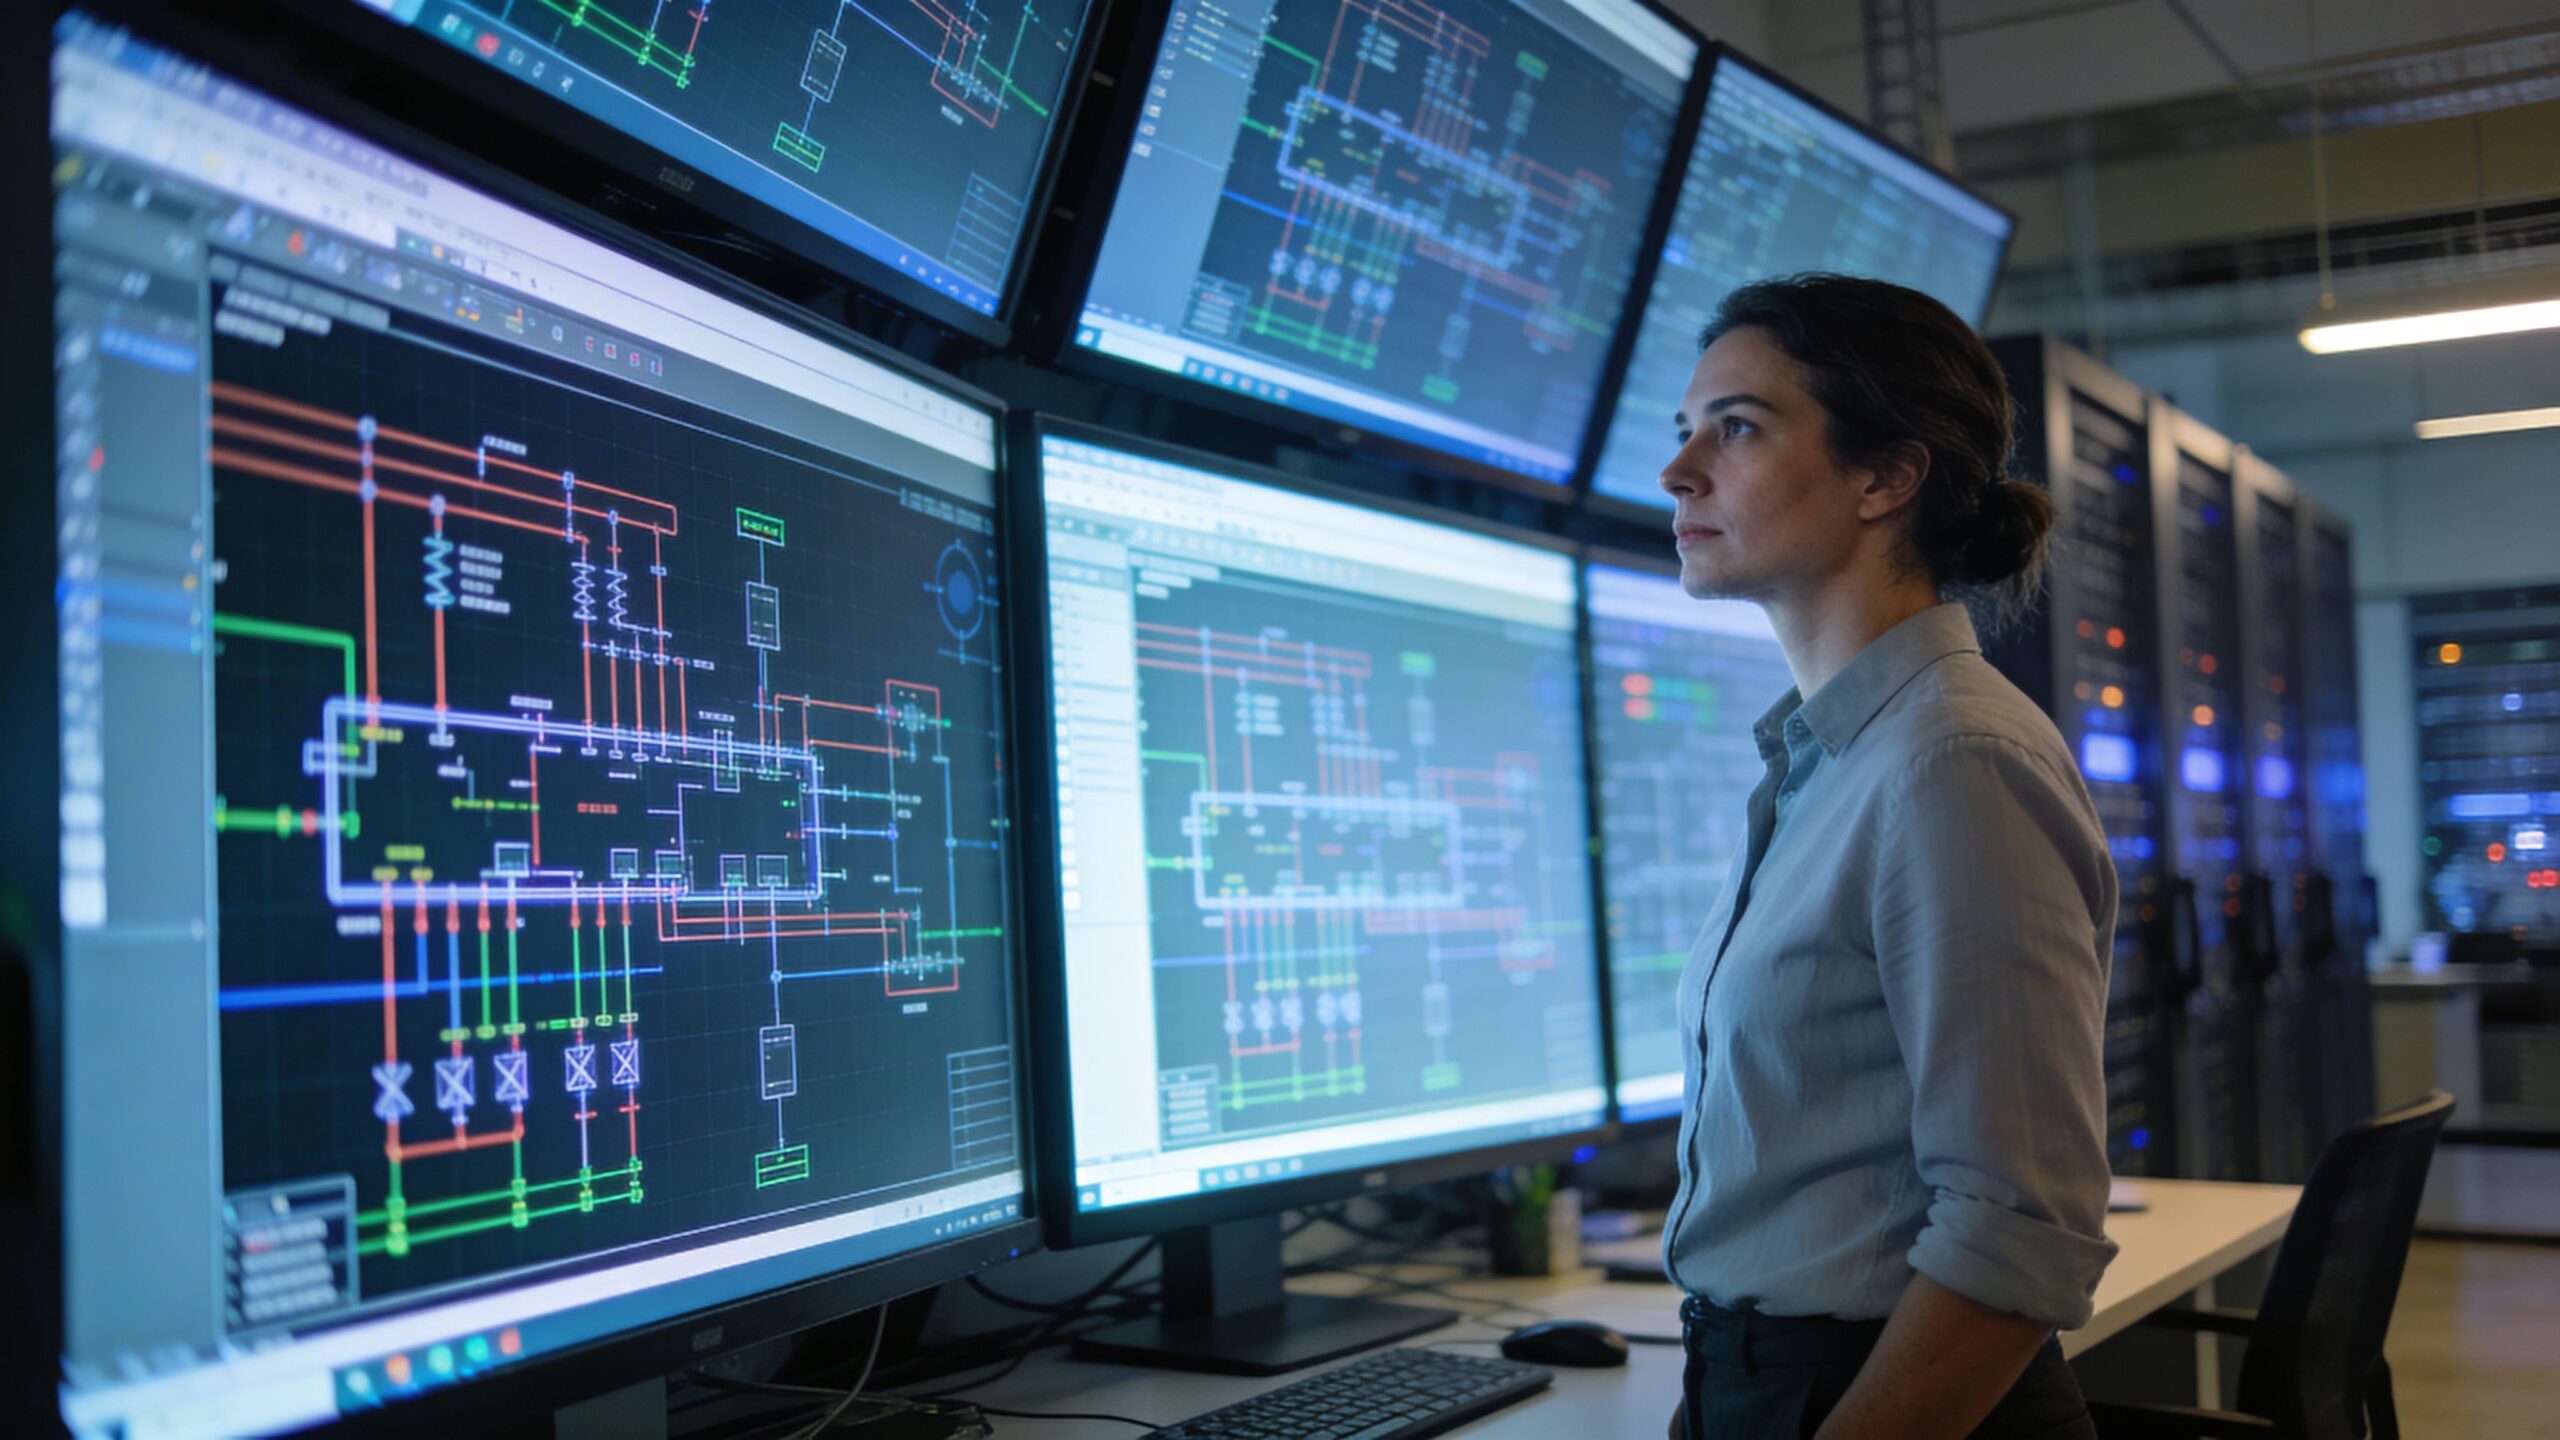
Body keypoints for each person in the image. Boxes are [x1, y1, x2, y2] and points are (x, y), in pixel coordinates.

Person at [1656, 274, 2116, 1440]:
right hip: (1760, 1379)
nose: (1680, 471)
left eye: (1738, 428)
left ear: (1885, 477)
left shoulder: (1952, 760)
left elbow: (2018, 1230)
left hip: (1887, 1398)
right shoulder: (1829, 761)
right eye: (1685, 430)